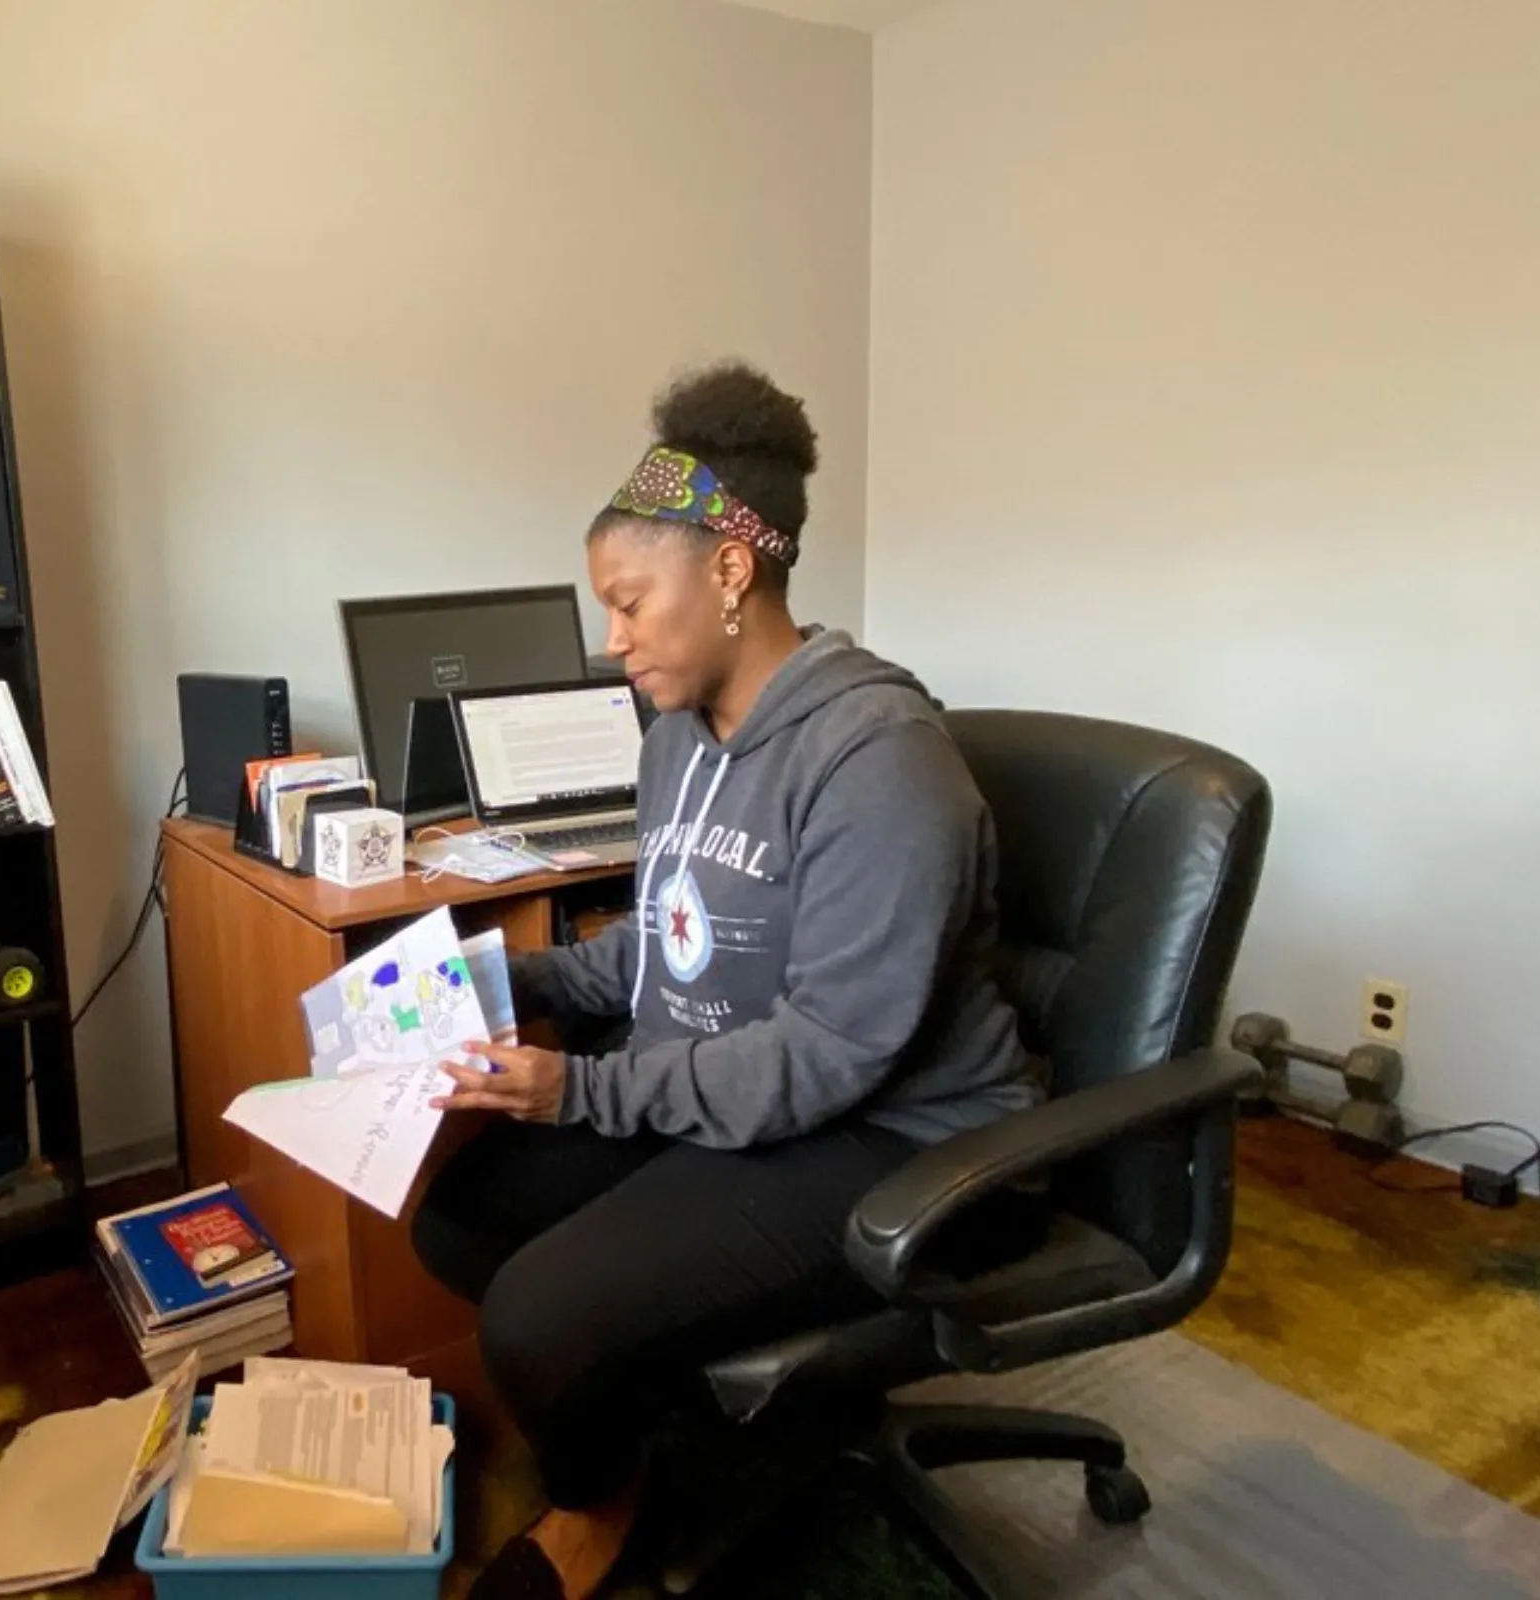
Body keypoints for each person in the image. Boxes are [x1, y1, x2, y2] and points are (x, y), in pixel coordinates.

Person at [412, 360, 1043, 1600]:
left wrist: (577, 1093)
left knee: (540, 1319)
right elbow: (671, 944)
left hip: (896, 1137)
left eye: (632, 601)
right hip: (746, 1082)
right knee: (465, 1213)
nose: (613, 639)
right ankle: (677, 1414)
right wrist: (508, 975)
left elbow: (832, 1053)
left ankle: (605, 1505)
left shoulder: (881, 761)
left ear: (733, 571)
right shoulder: (678, 741)